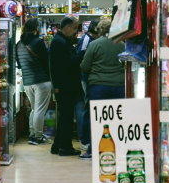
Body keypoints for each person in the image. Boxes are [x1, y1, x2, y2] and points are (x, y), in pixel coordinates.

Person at [78, 19, 126, 160]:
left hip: (98, 86)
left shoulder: (94, 44)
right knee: (116, 119)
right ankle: (116, 149)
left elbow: (84, 67)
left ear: (99, 30)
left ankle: (93, 150)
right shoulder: (122, 45)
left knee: (98, 119)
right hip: (118, 86)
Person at [49, 16, 84, 156]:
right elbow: (71, 62)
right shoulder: (60, 42)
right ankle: (65, 147)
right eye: (75, 28)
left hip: (63, 85)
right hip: (65, 86)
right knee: (67, 117)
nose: (76, 32)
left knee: (64, 117)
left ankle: (57, 146)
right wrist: (82, 53)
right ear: (67, 27)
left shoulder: (60, 40)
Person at [15, 18, 52, 145]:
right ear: (37, 29)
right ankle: (38, 136)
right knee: (40, 110)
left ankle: (32, 134)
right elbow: (47, 60)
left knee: (34, 109)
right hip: (41, 80)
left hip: (27, 81)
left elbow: (19, 65)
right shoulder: (38, 42)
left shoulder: (19, 44)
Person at [75, 20, 100, 152]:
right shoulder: (86, 39)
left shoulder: (91, 39)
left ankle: (89, 139)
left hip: (91, 78)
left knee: (90, 108)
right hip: (86, 78)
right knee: (88, 108)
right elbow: (81, 59)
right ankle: (85, 140)